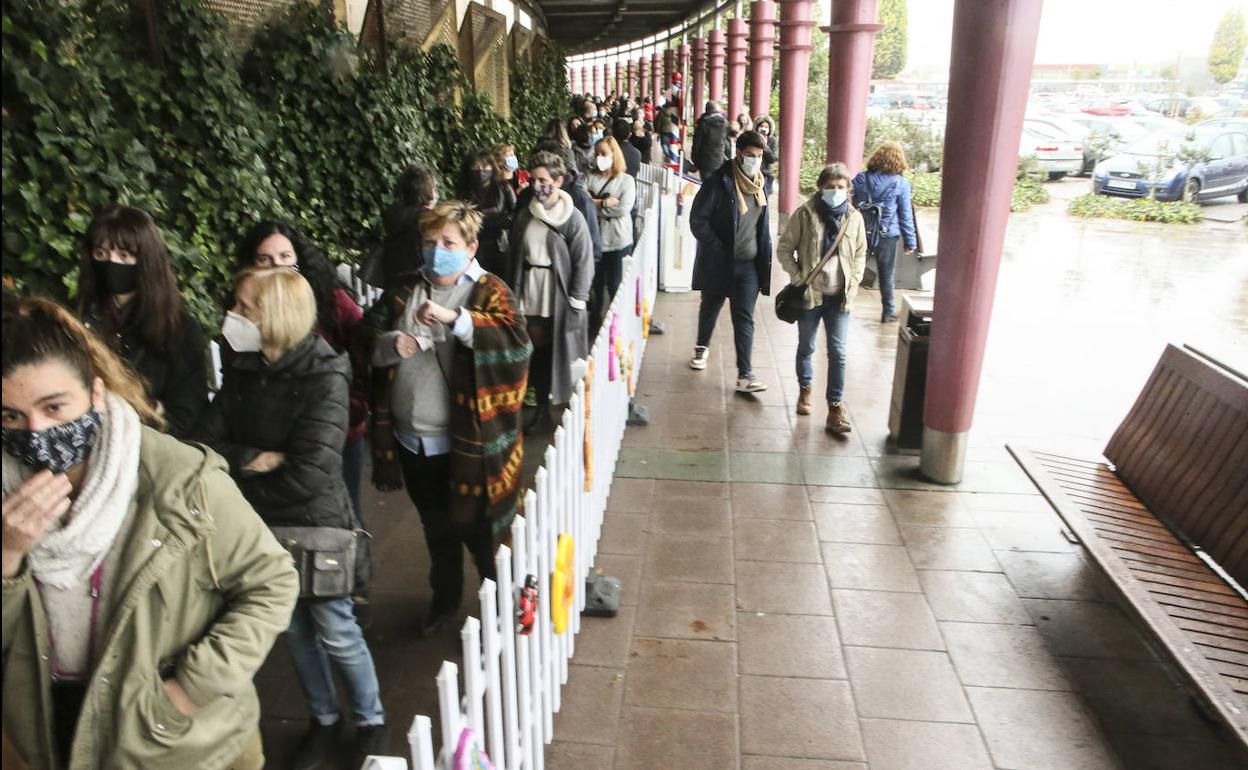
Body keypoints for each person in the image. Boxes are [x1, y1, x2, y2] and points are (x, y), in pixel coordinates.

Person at [2, 297, 298, 770]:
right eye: (11, 417)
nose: (35, 433)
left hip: (176, 739)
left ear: (96, 394)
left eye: (54, 407)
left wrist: (188, 690)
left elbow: (273, 580)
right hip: (46, 730)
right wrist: (8, 555)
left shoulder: (182, 481)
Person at [196, 268, 387, 770]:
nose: (233, 316)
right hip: (264, 527)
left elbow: (311, 470)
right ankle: (323, 720)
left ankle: (369, 718)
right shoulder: (242, 368)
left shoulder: (326, 373)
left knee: (336, 628)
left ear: (275, 315)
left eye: (244, 308)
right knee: (296, 632)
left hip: (315, 525)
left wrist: (241, 469)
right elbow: (204, 443)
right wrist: (256, 457)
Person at [360, 201, 531, 637]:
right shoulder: (402, 290)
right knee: (436, 527)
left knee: (482, 531)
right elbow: (364, 343)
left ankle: (500, 608)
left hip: (469, 442)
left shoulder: (490, 291)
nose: (437, 250)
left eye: (448, 243)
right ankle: (445, 599)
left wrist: (457, 320)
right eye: (430, 241)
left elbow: (515, 347)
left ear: (471, 247)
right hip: (412, 439)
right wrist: (390, 342)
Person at [235, 221, 374, 621]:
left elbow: (361, 350)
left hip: (339, 429)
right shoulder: (246, 313)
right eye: (264, 260)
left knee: (342, 509)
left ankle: (352, 583)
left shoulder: (330, 300)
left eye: (284, 257)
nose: (276, 266)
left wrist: (353, 405)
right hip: (276, 436)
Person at [77, 205, 207, 438]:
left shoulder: (181, 329)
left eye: (124, 256)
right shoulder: (79, 320)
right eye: (101, 254)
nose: (111, 263)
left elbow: (187, 414)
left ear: (146, 261)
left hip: (150, 449)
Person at [775, 163, 869, 433]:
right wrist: (798, 277)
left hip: (840, 298)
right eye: (830, 187)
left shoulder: (854, 218)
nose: (836, 191)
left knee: (838, 353)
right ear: (820, 188)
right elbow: (784, 249)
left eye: (841, 187)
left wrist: (855, 279)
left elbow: (860, 253)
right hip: (810, 297)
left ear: (849, 190)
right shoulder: (805, 214)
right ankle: (805, 389)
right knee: (807, 346)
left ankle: (835, 407)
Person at [508, 151, 594, 433]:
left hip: (556, 296)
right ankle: (539, 408)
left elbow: (584, 261)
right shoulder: (524, 216)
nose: (536, 185)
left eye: (543, 179)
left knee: (556, 354)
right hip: (528, 295)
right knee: (534, 354)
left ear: (558, 180)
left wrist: (576, 301)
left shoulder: (573, 219)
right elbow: (514, 259)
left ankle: (555, 409)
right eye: (533, 179)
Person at [688, 131, 773, 393]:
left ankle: (745, 374)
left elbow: (761, 226)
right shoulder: (718, 182)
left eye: (759, 156)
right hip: (720, 261)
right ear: (738, 153)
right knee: (710, 306)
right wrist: (717, 247)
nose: (755, 161)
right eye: (750, 155)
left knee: (744, 317)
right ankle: (702, 347)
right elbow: (698, 221)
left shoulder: (763, 183)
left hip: (749, 265)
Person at [852, 140, 917, 322]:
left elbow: (852, 201)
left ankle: (841, 305)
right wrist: (910, 241)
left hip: (862, 232)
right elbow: (905, 215)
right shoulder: (901, 183)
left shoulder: (861, 178)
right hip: (887, 235)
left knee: (853, 270)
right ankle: (888, 311)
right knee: (886, 274)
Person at [586, 136, 638, 333]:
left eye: (604, 153)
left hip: (618, 240)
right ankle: (595, 321)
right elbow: (583, 203)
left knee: (616, 284)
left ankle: (618, 323)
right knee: (596, 284)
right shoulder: (588, 177)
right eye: (597, 153)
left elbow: (623, 209)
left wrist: (595, 204)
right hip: (595, 240)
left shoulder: (626, 181)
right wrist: (605, 203)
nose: (600, 157)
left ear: (614, 155)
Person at [377, 165, 439, 289]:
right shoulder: (428, 220)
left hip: (392, 283)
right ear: (428, 191)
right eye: (435, 188)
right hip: (419, 285)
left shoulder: (393, 215)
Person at [460, 149, 518, 277]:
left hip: (500, 246)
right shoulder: (464, 193)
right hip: (475, 248)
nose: (481, 170)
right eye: (476, 166)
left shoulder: (504, 188)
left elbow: (516, 215)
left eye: (485, 166)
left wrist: (486, 220)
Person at [691, 101, 730, 177]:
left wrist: (695, 159)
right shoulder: (725, 124)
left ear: (706, 110)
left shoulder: (702, 123)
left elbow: (697, 143)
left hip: (704, 160)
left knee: (706, 184)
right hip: (720, 159)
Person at [753, 115, 780, 189]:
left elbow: (773, 159)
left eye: (766, 127)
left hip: (765, 173)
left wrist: (765, 145)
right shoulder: (751, 137)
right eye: (761, 126)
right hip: (752, 172)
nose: (763, 128)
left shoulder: (772, 140)